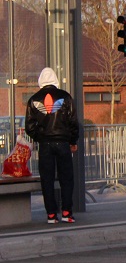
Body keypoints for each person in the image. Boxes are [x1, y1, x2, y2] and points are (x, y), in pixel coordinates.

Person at [25, 67, 81, 224]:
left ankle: (51, 214)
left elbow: (29, 127)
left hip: (45, 145)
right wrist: (72, 141)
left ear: (40, 80)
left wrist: (40, 137)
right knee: (66, 178)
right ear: (55, 79)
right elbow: (73, 122)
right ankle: (67, 212)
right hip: (63, 143)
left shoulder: (33, 100)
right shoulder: (65, 97)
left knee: (47, 179)